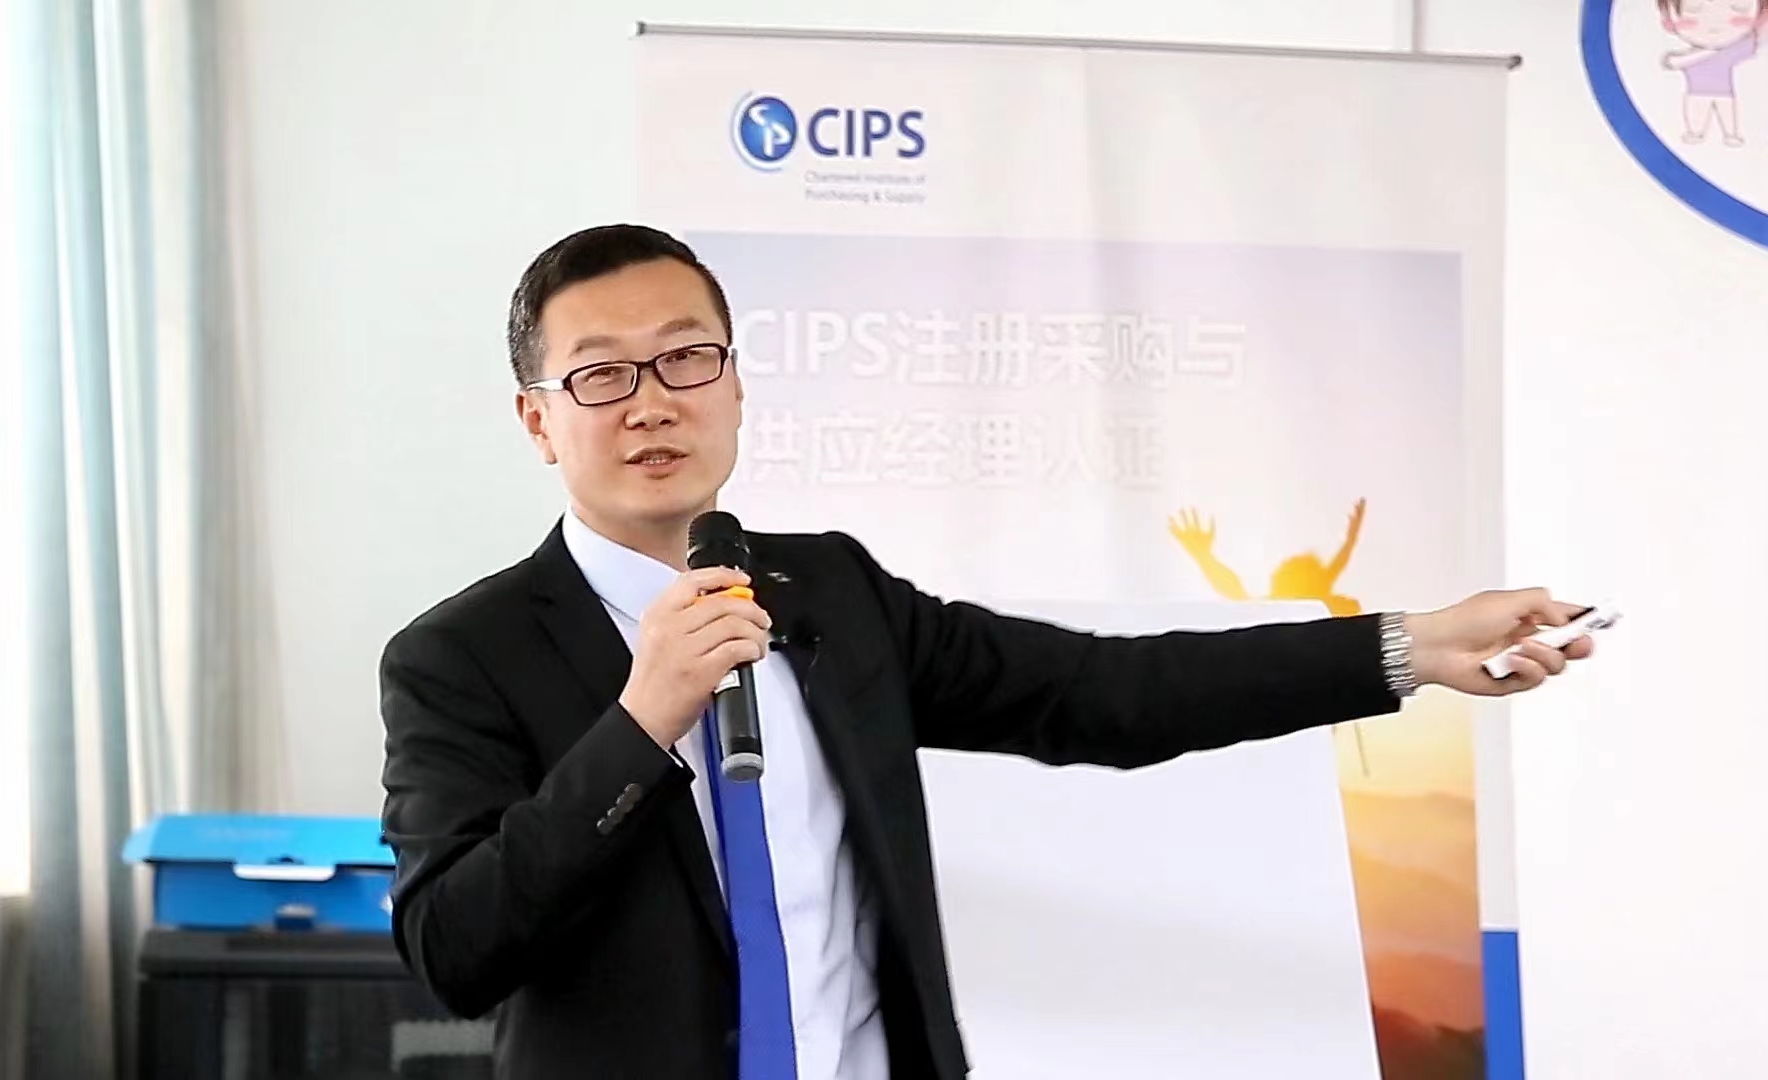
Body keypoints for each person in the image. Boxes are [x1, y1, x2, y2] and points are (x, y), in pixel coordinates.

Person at [377, 224, 1597, 1080]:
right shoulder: (459, 657)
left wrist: (1401, 648)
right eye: (602, 376)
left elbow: (1105, 692)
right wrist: (644, 722)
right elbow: (453, 954)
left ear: (737, 386)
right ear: (538, 420)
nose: (654, 400)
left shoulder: (830, 591)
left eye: (688, 357)